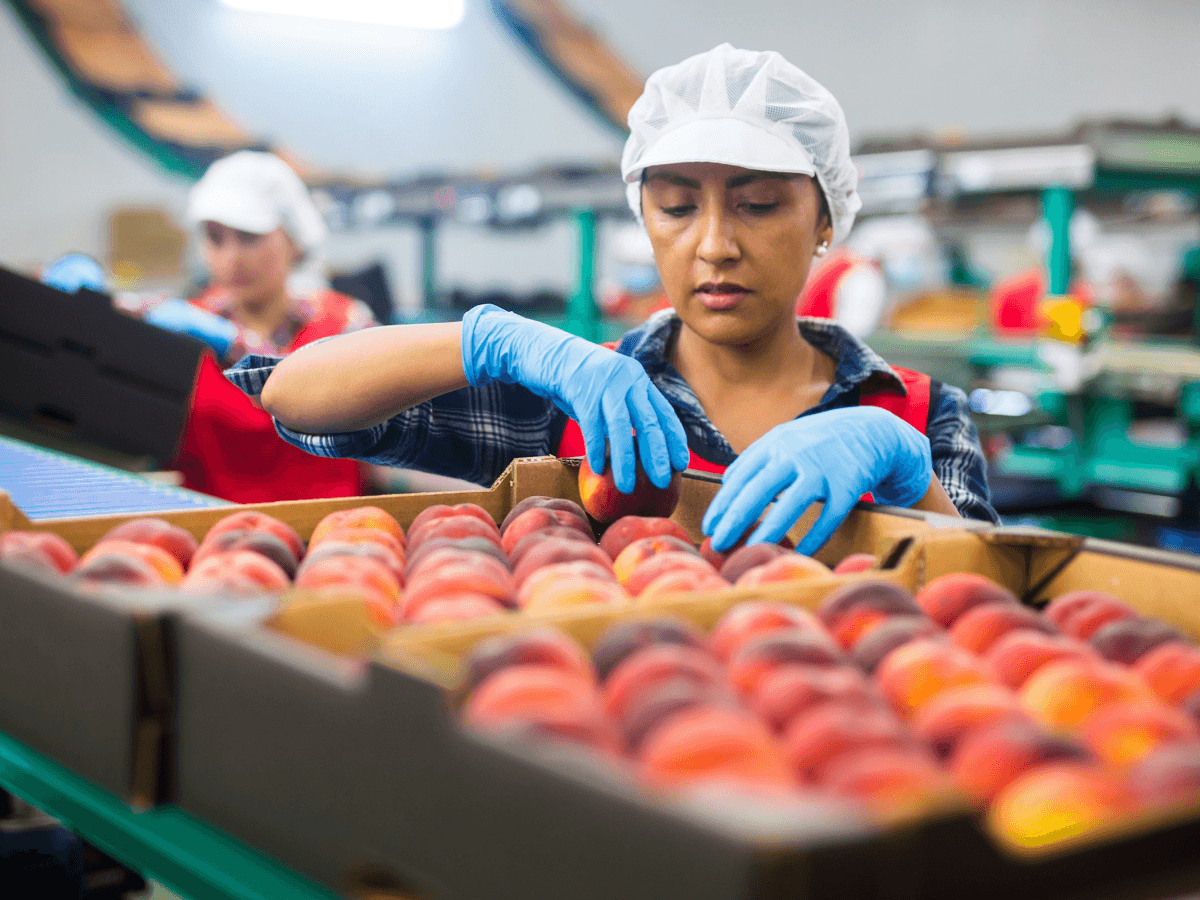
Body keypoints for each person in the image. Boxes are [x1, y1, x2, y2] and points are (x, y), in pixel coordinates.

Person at [229, 45, 998, 553]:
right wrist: (489, 340)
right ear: (644, 221)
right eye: (675, 207)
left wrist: (910, 477)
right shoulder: (572, 407)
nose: (715, 245)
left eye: (759, 205)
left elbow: (993, 609)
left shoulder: (914, 417)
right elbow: (294, 397)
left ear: (827, 217)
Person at [142, 151, 378, 502]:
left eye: (249, 237)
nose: (231, 258)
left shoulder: (347, 325)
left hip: (331, 536)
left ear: (294, 240)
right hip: (210, 538)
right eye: (215, 238)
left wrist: (233, 346)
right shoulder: (184, 326)